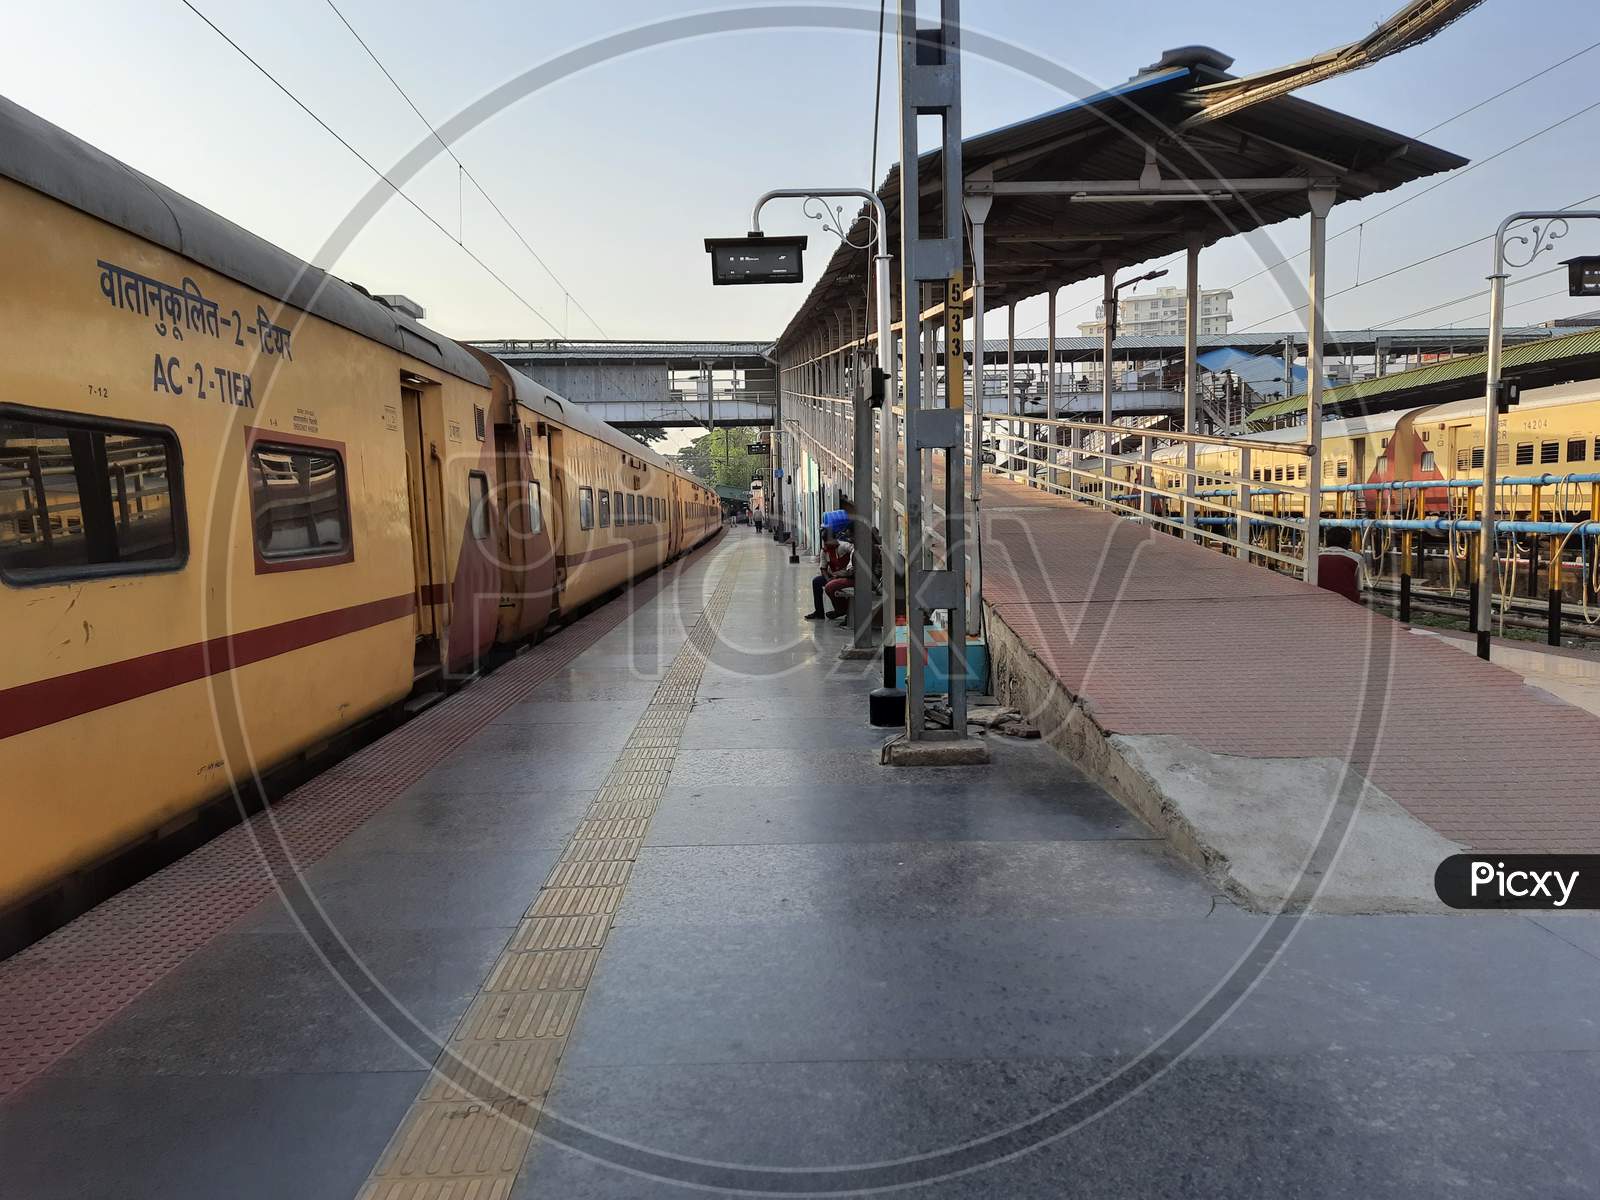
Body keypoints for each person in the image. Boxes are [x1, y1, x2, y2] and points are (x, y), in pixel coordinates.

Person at [805, 527, 854, 620]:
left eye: (828, 540)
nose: (826, 543)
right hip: (833, 576)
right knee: (816, 581)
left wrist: (850, 566)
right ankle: (819, 612)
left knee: (831, 587)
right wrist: (828, 579)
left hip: (847, 576)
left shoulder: (844, 546)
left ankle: (841, 609)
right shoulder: (825, 551)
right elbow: (823, 568)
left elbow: (854, 551)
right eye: (825, 541)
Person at [1317, 526, 1367, 604]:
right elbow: (1359, 587)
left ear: (1326, 541)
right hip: (1347, 603)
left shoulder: (1316, 557)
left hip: (1319, 601)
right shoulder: (1357, 559)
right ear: (1349, 543)